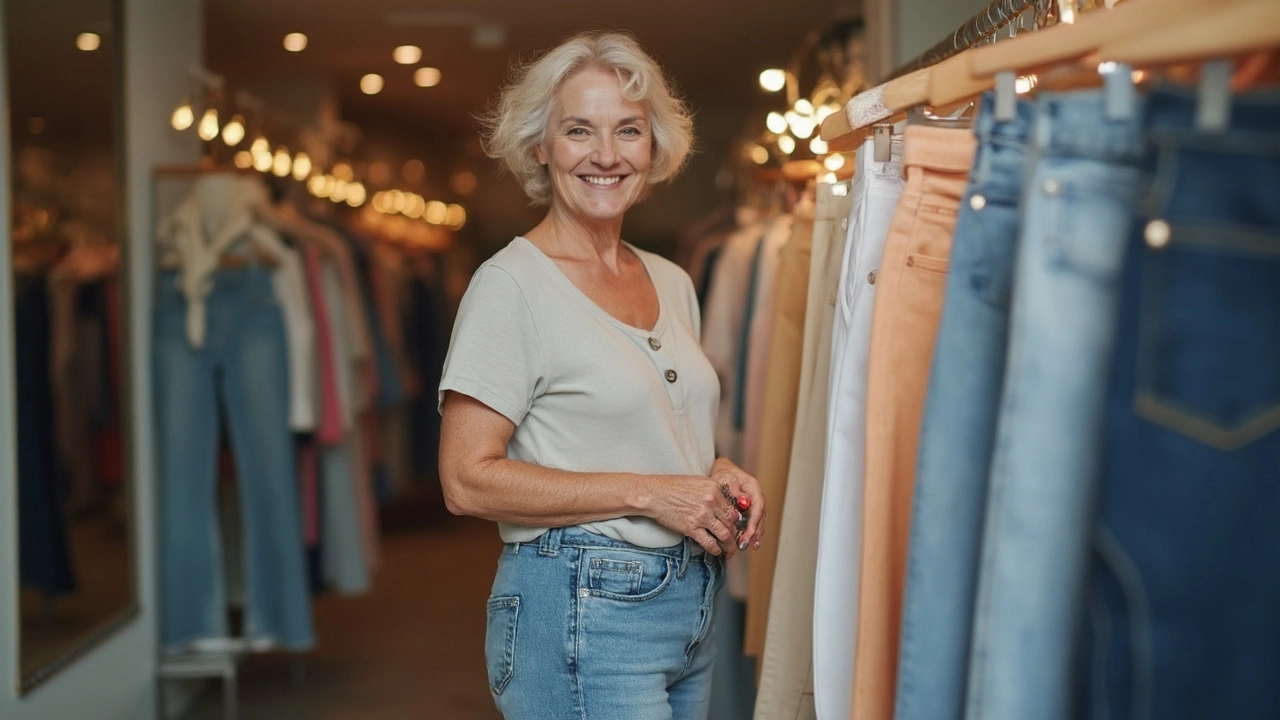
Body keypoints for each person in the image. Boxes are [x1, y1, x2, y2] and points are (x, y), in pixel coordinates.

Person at [438, 30, 767, 720]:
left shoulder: (673, 279)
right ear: (541, 146)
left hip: (688, 602)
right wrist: (652, 493)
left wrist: (716, 472)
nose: (607, 155)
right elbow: (466, 479)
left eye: (628, 131)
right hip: (581, 606)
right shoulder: (511, 286)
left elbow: (647, 433)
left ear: (654, 148)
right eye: (579, 131)